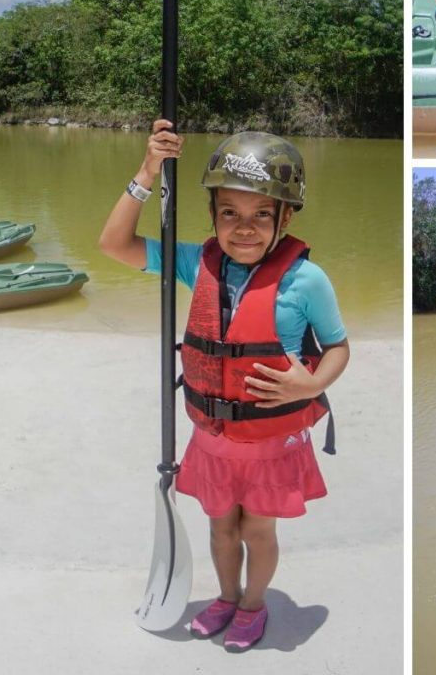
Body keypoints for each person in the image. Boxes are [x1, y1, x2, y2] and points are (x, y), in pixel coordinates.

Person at [99, 121, 349, 652]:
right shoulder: (195, 262)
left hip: (270, 443)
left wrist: (310, 384)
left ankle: (253, 605)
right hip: (211, 438)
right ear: (212, 215)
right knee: (220, 531)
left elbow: (337, 347)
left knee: (258, 532)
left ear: (286, 216)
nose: (244, 228)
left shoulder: (308, 280)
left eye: (262, 214)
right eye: (229, 213)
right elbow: (112, 243)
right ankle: (225, 595)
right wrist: (148, 172)